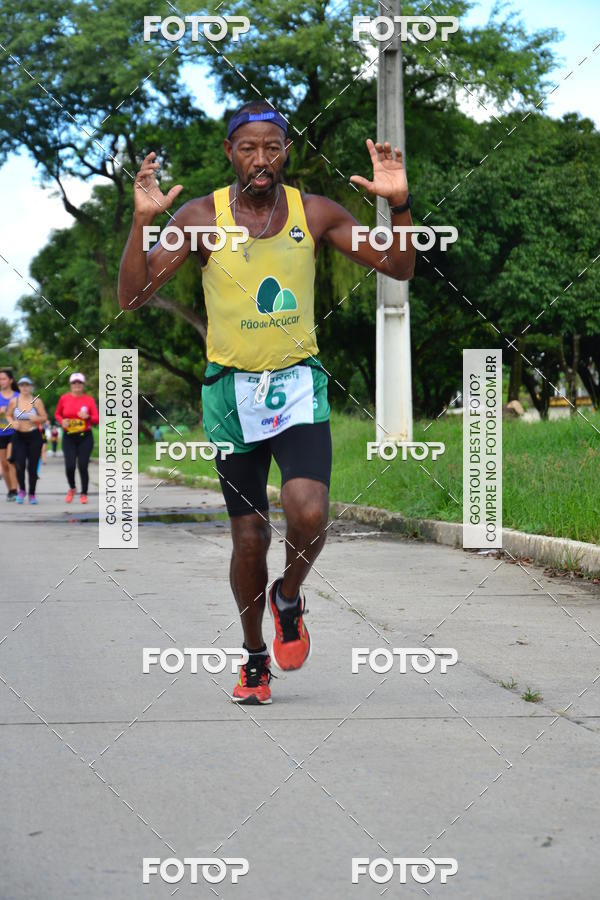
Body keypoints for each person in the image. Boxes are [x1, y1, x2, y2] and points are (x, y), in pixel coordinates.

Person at [118, 101, 415, 703]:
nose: (261, 159)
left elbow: (400, 265)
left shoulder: (315, 212)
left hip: (298, 383)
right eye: (248, 148)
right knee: (249, 537)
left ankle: (288, 596)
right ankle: (255, 655)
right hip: (230, 394)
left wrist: (399, 204)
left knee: (308, 513)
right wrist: (141, 224)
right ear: (230, 152)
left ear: (286, 152)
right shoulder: (201, 218)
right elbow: (132, 296)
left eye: (272, 147)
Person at [54, 373, 99, 504]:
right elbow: (57, 414)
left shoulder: (89, 400)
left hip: (85, 437)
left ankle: (84, 493)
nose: (77, 385)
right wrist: (62, 421)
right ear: (71, 385)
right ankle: (72, 488)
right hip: (69, 437)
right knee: (70, 466)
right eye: (74, 383)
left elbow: (97, 419)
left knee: (83, 466)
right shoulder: (64, 398)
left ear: (83, 385)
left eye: (79, 383)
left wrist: (87, 417)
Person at [7, 376, 48, 504]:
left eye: (27, 385)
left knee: (32, 466)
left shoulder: (37, 401)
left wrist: (37, 419)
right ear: (18, 387)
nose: (24, 387)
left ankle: (32, 494)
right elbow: (8, 414)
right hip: (19, 436)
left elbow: (44, 417)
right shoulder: (14, 401)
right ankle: (22, 490)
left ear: (31, 387)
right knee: (19, 465)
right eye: (22, 385)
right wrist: (12, 422)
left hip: (34, 436)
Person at [0, 368, 19, 501]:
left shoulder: (17, 396)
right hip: (1, 433)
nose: (1, 381)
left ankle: (15, 489)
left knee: (10, 460)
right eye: (0, 379)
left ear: (11, 380)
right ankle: (10, 491)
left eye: (4, 378)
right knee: (4, 464)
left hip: (14, 433)